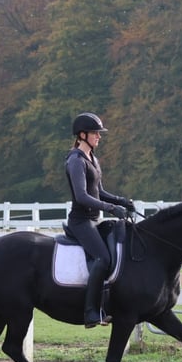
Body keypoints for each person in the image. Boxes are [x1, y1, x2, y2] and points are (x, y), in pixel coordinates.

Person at [65, 112, 135, 328]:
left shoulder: (92, 158)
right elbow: (82, 196)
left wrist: (121, 201)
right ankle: (91, 312)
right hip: (81, 221)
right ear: (82, 134)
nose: (99, 137)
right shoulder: (75, 160)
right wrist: (111, 208)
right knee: (102, 259)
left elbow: (99, 191)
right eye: (96, 133)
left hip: (95, 220)